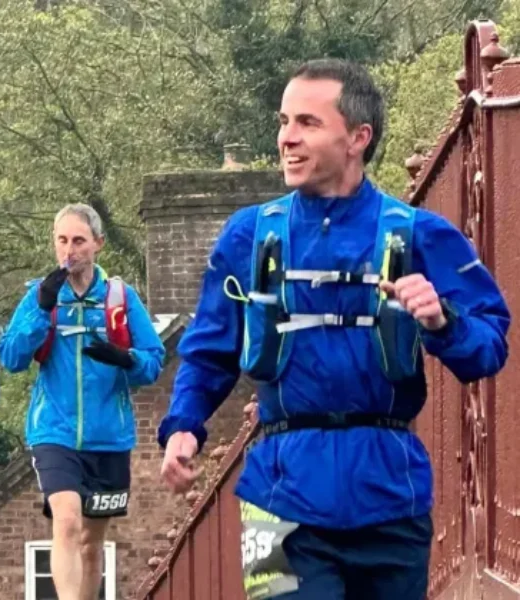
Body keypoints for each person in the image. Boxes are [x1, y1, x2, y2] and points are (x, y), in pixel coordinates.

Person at [158, 58, 510, 599]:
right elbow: (208, 351)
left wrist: (443, 321)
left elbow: (490, 347)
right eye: (283, 122)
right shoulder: (246, 236)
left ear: (358, 137)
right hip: (272, 502)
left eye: (307, 123)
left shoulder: (420, 236)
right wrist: (184, 426)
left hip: (392, 498)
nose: (286, 139)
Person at [0, 204, 165, 600]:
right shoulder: (42, 296)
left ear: (98, 245)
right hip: (53, 432)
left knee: (92, 543)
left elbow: (153, 362)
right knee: (67, 521)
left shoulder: (120, 298)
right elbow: (11, 358)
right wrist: (41, 309)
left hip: (109, 437)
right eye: (61, 240)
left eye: (78, 241)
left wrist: (126, 359)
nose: (69, 250)